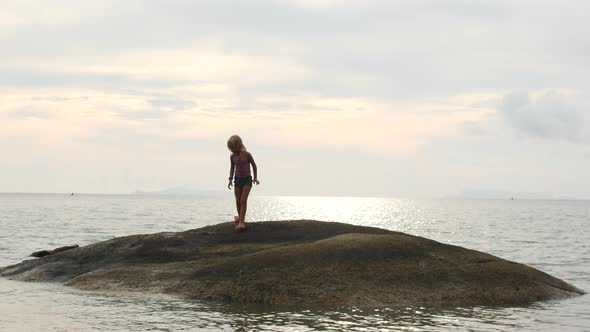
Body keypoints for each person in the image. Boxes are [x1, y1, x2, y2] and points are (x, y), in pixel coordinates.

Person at [227, 135, 260, 231]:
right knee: (238, 201)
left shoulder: (247, 155)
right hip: (237, 180)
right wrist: (230, 179)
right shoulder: (232, 156)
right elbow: (232, 168)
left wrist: (255, 178)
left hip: (247, 180)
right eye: (230, 148)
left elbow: (254, 165)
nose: (231, 150)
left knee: (243, 200)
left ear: (239, 145)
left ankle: (241, 222)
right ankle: (240, 218)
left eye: (233, 148)